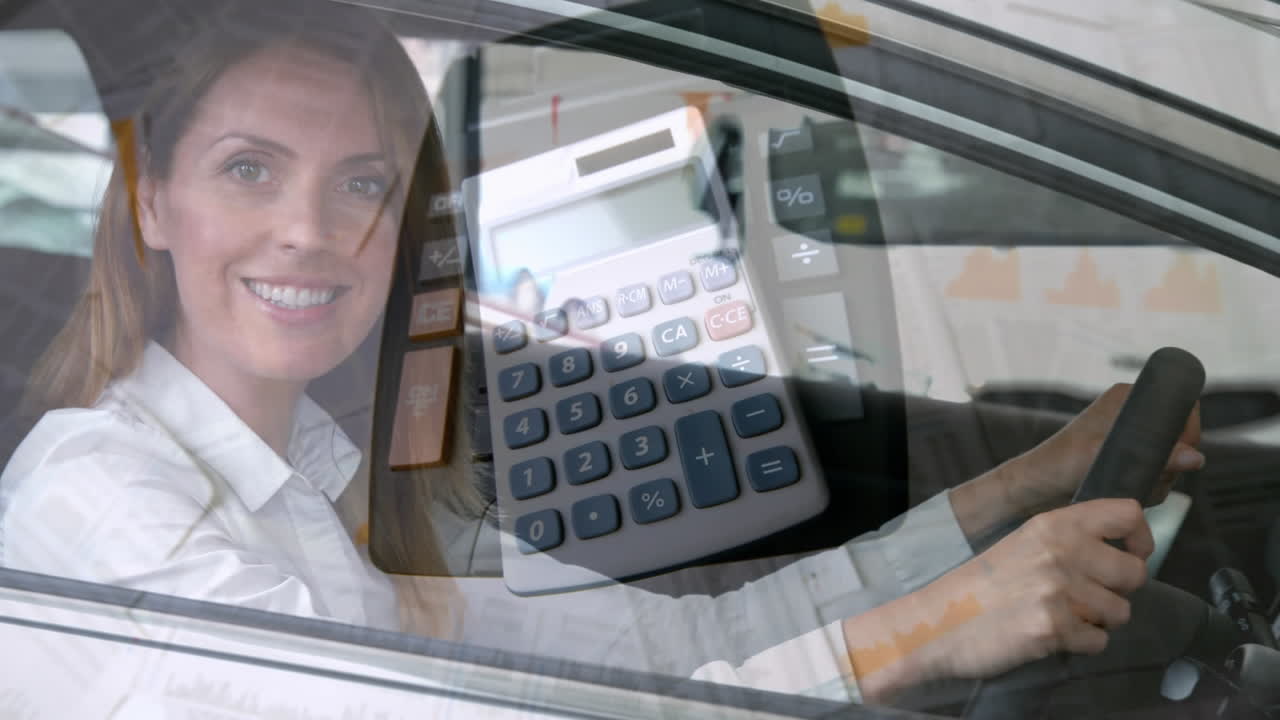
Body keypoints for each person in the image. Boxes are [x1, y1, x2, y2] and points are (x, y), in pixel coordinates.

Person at [0, 0, 1205, 707]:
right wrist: (927, 637)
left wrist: (1012, 492)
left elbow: (671, 651)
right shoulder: (101, 498)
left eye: (361, 182)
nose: (311, 233)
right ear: (151, 202)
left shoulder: (314, 486)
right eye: (248, 168)